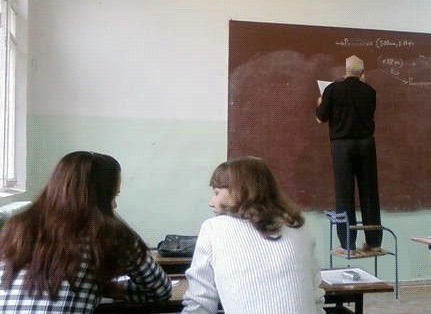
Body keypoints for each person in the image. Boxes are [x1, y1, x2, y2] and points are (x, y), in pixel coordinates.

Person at [0, 151, 172, 313]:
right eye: (113, 197)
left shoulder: (17, 226)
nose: (114, 206)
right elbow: (160, 290)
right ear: (100, 198)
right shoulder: (111, 234)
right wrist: (108, 289)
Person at [182, 156, 323, 314]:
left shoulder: (213, 229)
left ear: (239, 191)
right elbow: (316, 299)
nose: (211, 202)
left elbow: (199, 302)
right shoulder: (298, 227)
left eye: (217, 192)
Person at [316, 55, 382, 253]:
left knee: (344, 194)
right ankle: (373, 242)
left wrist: (320, 102)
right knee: (369, 193)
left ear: (345, 70)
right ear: (362, 72)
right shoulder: (370, 91)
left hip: (342, 146)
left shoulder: (332, 90)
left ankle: (348, 244)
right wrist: (363, 83)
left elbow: (321, 118)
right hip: (366, 145)